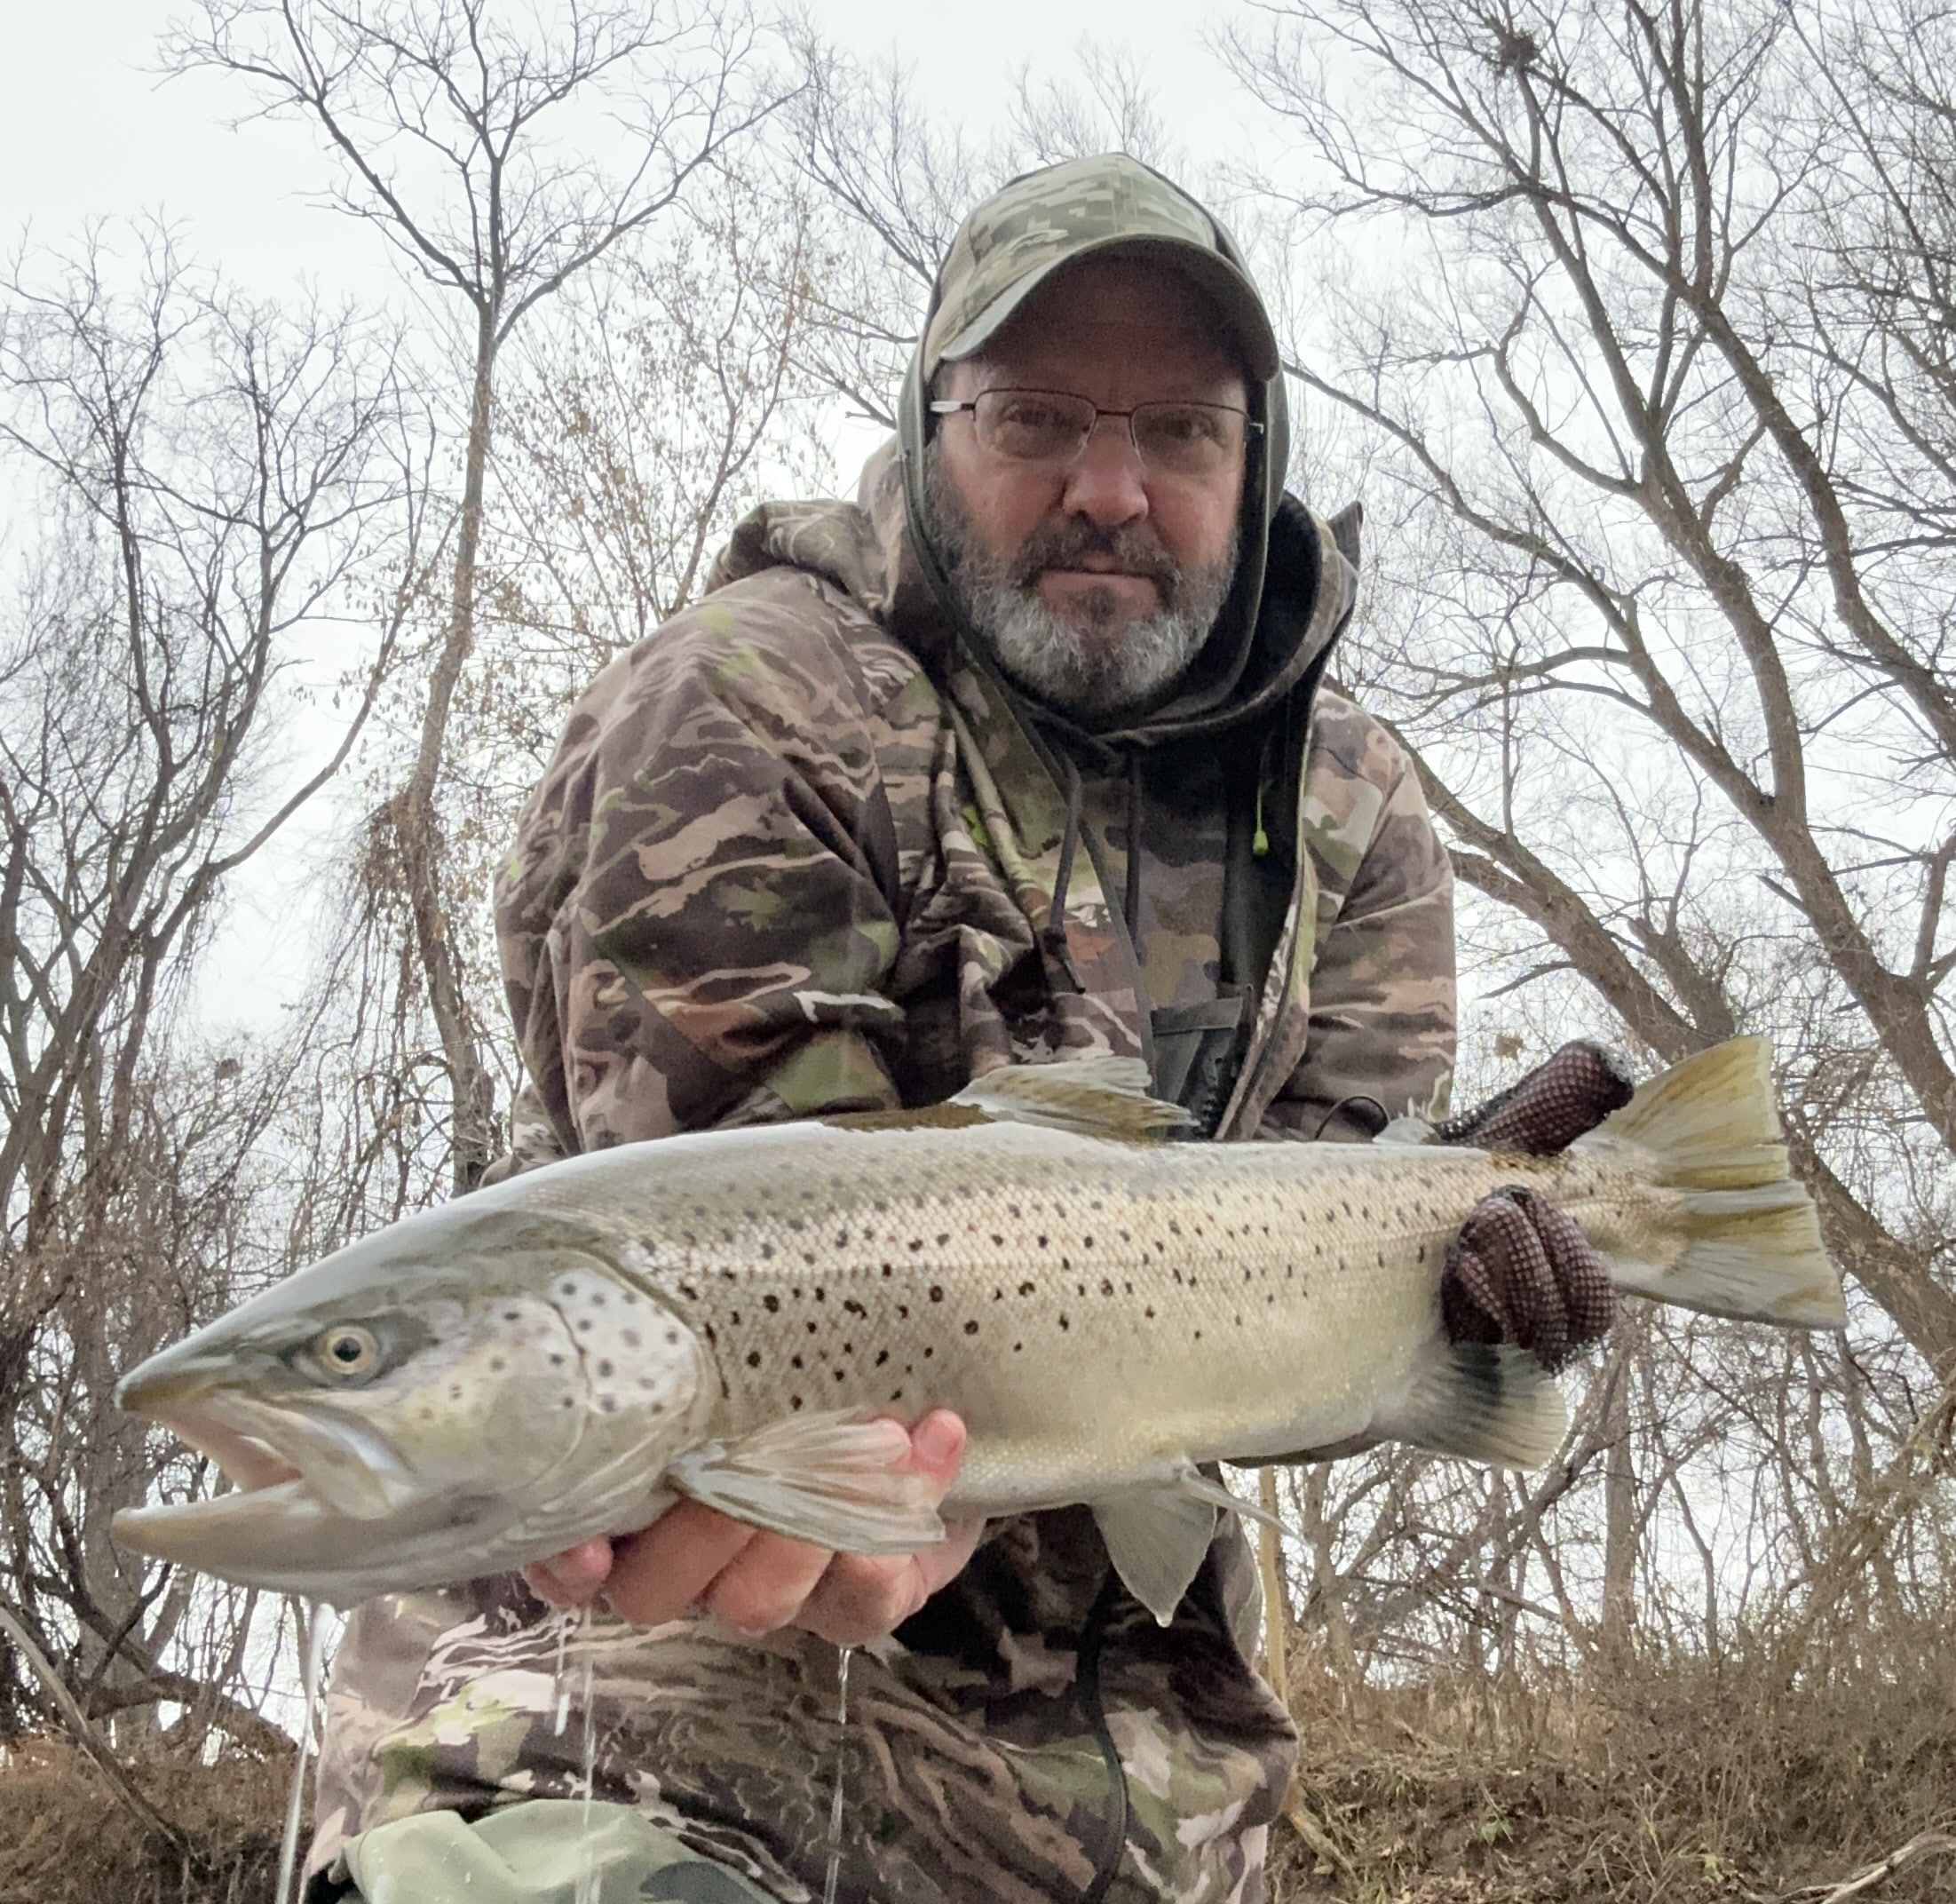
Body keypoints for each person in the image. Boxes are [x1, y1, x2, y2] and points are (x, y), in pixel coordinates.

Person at [307, 153, 1611, 1904]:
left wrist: (1448, 1301)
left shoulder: (1352, 806)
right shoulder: (749, 697)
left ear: (1258, 458)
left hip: (1132, 1782)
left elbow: (1272, 1300)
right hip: (654, 1687)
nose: (1110, 486)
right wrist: (858, 1468)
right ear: (936, 432)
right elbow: (762, 1247)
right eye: (1038, 418)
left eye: (1182, 430)